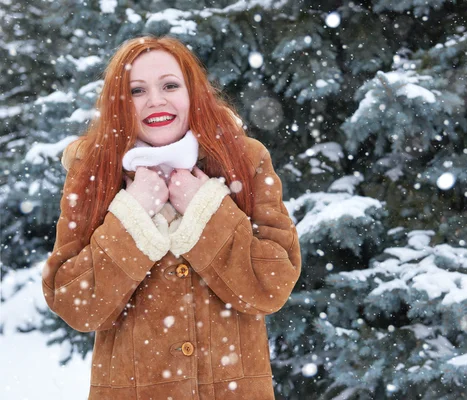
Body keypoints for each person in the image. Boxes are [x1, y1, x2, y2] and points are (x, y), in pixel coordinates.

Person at [41, 36, 302, 400]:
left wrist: (205, 211)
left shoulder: (245, 160)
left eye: (170, 85)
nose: (156, 100)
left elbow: (272, 285)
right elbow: (75, 304)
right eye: (136, 90)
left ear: (193, 92)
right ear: (120, 104)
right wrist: (133, 214)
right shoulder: (94, 170)